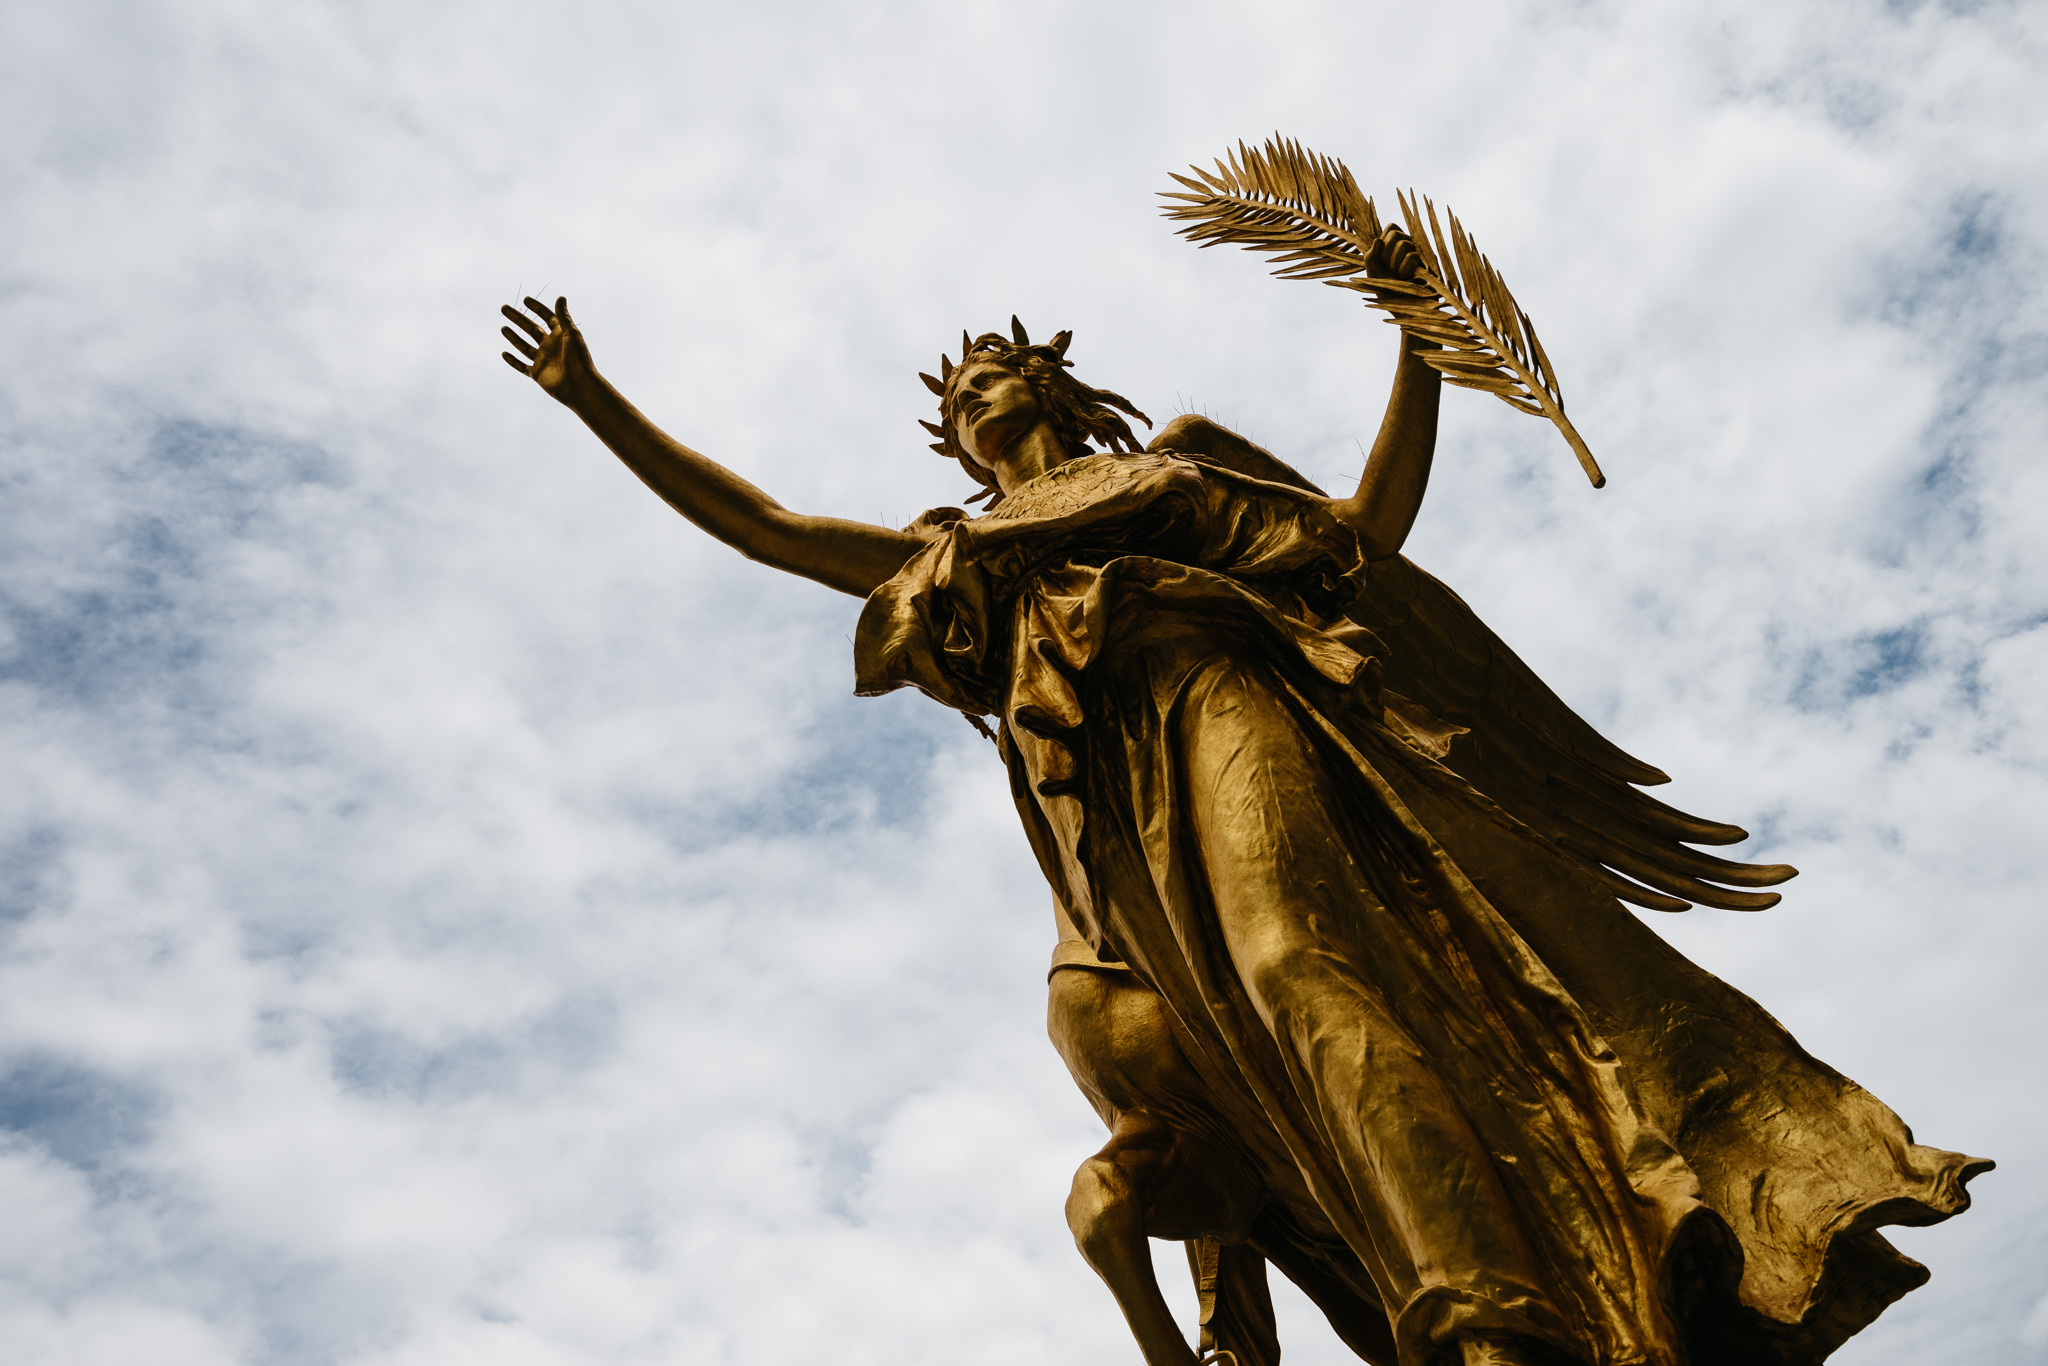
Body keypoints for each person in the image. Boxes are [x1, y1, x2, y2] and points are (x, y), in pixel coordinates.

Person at [498, 242, 1987, 1366]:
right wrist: (595, 400)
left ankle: (1492, 1319)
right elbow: (764, 526)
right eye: (952, 399)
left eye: (989, 374)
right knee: (1226, 1051)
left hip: (1218, 696)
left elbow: (1360, 531)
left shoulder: (1171, 468)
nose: (970, 398)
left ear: (1052, 383)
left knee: (1295, 967)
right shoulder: (946, 548)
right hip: (1108, 821)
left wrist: (1417, 353)